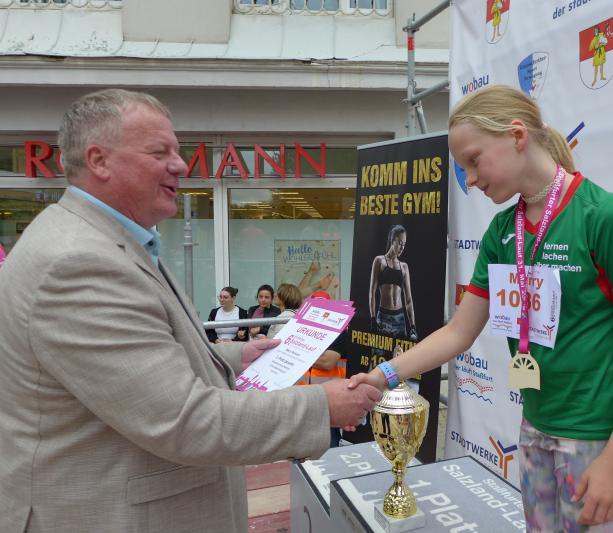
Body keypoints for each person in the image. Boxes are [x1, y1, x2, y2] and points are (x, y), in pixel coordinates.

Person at [0, 89, 381, 533]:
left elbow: (141, 364)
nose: (181, 165)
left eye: (178, 152)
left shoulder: (105, 239)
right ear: (99, 160)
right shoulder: (78, 262)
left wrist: (235, 356)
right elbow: (183, 419)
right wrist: (321, 407)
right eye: (159, 152)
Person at [350, 85, 613, 532]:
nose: (470, 179)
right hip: (534, 428)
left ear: (517, 135)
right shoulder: (502, 231)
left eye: (474, 161)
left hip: (594, 438)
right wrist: (384, 374)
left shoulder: (605, 217)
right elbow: (459, 332)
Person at [295, 290, 349, 448]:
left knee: (329, 448)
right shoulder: (301, 329)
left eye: (323, 308)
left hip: (328, 401)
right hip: (301, 399)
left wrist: (298, 351)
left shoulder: (339, 332)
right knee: (300, 448)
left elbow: (327, 362)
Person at [369, 224, 417, 342]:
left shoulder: (404, 267)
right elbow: (372, 292)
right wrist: (373, 318)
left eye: (404, 244)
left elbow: (408, 299)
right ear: (393, 240)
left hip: (400, 319)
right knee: (379, 351)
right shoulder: (379, 261)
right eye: (400, 243)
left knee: (400, 353)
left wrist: (413, 326)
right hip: (383, 317)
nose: (402, 247)